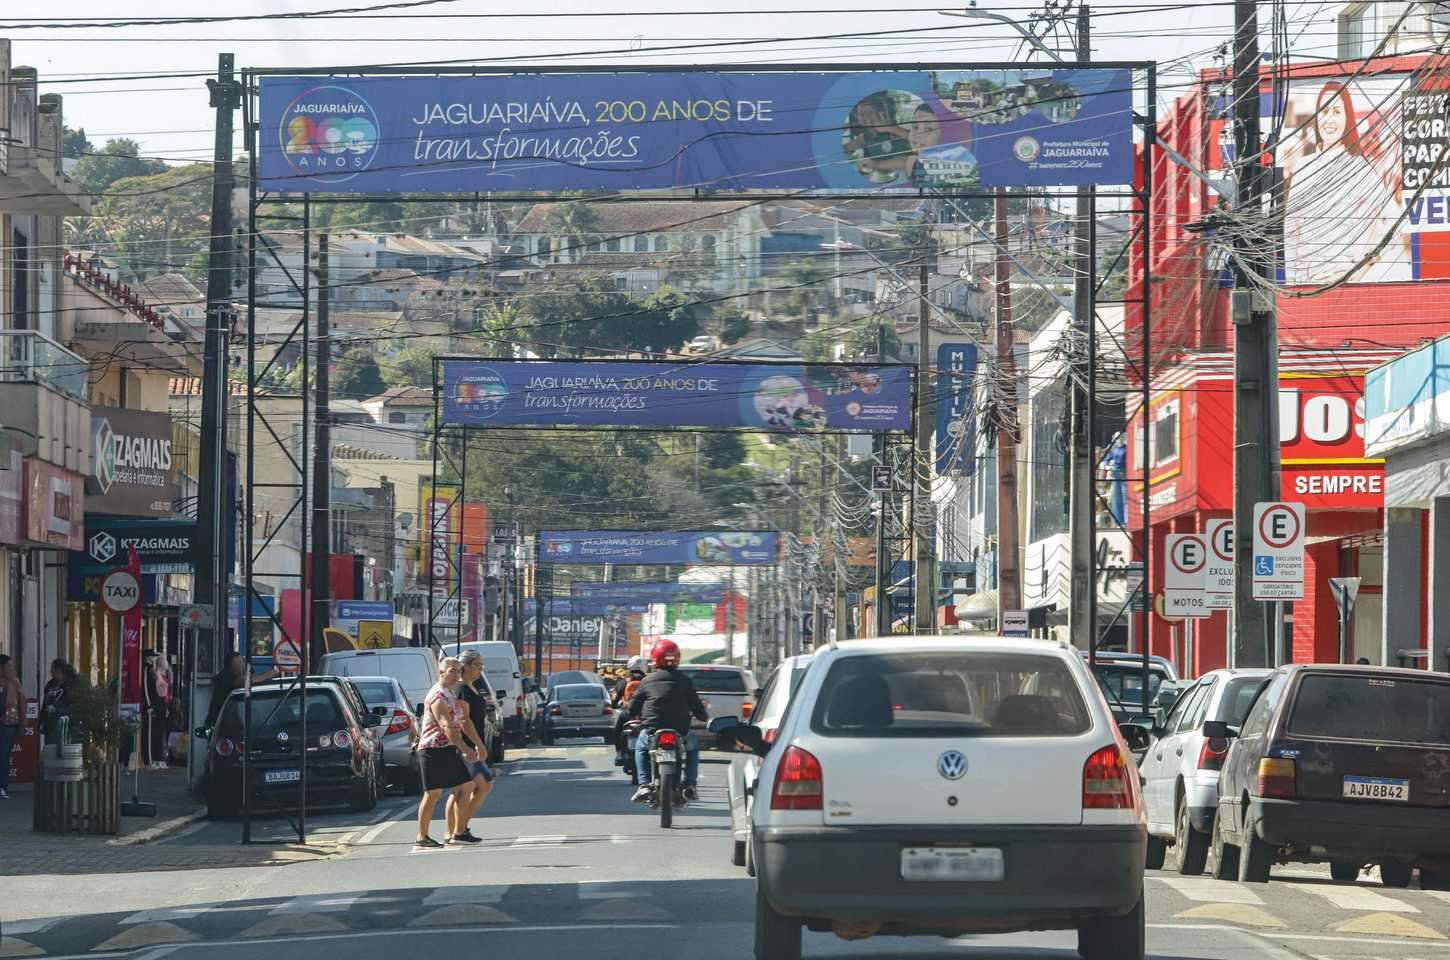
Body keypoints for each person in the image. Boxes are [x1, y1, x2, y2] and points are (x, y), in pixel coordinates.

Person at [1282, 81, 1408, 285]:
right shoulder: (1303, 167)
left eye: (1337, 112)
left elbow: (1396, 219)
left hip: (1346, 283)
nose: (1329, 119)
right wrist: (1292, 282)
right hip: (1307, 286)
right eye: (1324, 111)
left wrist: (1367, 263)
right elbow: (1291, 230)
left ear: (1347, 118)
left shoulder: (1358, 167)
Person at [627, 640, 707, 803]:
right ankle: (690, 784)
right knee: (692, 750)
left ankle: (644, 784)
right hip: (681, 731)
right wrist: (702, 717)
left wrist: (630, 714)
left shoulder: (647, 681)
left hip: (652, 730)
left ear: (655, 659)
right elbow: (696, 705)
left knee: (640, 748)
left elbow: (633, 706)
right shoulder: (685, 681)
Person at [415, 656, 477, 849]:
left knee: (465, 787)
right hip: (432, 749)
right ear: (441, 673)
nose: (456, 674)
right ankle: (422, 837)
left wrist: (470, 744)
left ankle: (457, 832)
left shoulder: (450, 693)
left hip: (448, 748)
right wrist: (465, 748)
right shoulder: (437, 695)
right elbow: (445, 724)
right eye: (452, 671)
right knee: (433, 793)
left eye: (459, 671)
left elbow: (461, 721)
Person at [450, 650, 495, 843]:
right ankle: (457, 831)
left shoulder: (471, 687)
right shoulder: (461, 689)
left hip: (472, 745)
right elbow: (464, 720)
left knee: (479, 786)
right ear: (465, 666)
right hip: (466, 746)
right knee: (468, 788)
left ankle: (458, 829)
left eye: (481, 665)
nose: (480, 669)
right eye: (477, 665)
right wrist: (478, 744)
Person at [205, 653, 278, 728]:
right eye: (239, 663)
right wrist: (265, 676)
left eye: (242, 662)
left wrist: (265, 676)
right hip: (217, 722)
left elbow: (252, 678)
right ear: (231, 665)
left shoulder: (240, 674)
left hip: (232, 720)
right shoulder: (224, 676)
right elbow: (242, 681)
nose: (242, 665)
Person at [611, 656, 649, 765]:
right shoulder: (649, 681)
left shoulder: (624, 681)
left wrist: (615, 704)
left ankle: (619, 753)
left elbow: (614, 700)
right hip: (645, 714)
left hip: (628, 714)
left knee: (617, 729)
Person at [0, 654, 24, 799]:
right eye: (8, 665)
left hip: (9, 723)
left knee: (4, 755)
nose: (11, 668)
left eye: (12, 665)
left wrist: (23, 723)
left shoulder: (15, 682)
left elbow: (22, 702)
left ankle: (2, 786)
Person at [41, 659, 77, 745]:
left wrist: (57, 708)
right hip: (50, 723)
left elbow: (71, 703)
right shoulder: (50, 684)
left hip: (63, 723)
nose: (51, 673)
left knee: (61, 747)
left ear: (59, 671)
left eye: (53, 670)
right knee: (50, 747)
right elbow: (45, 702)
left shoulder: (70, 684)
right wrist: (42, 719)